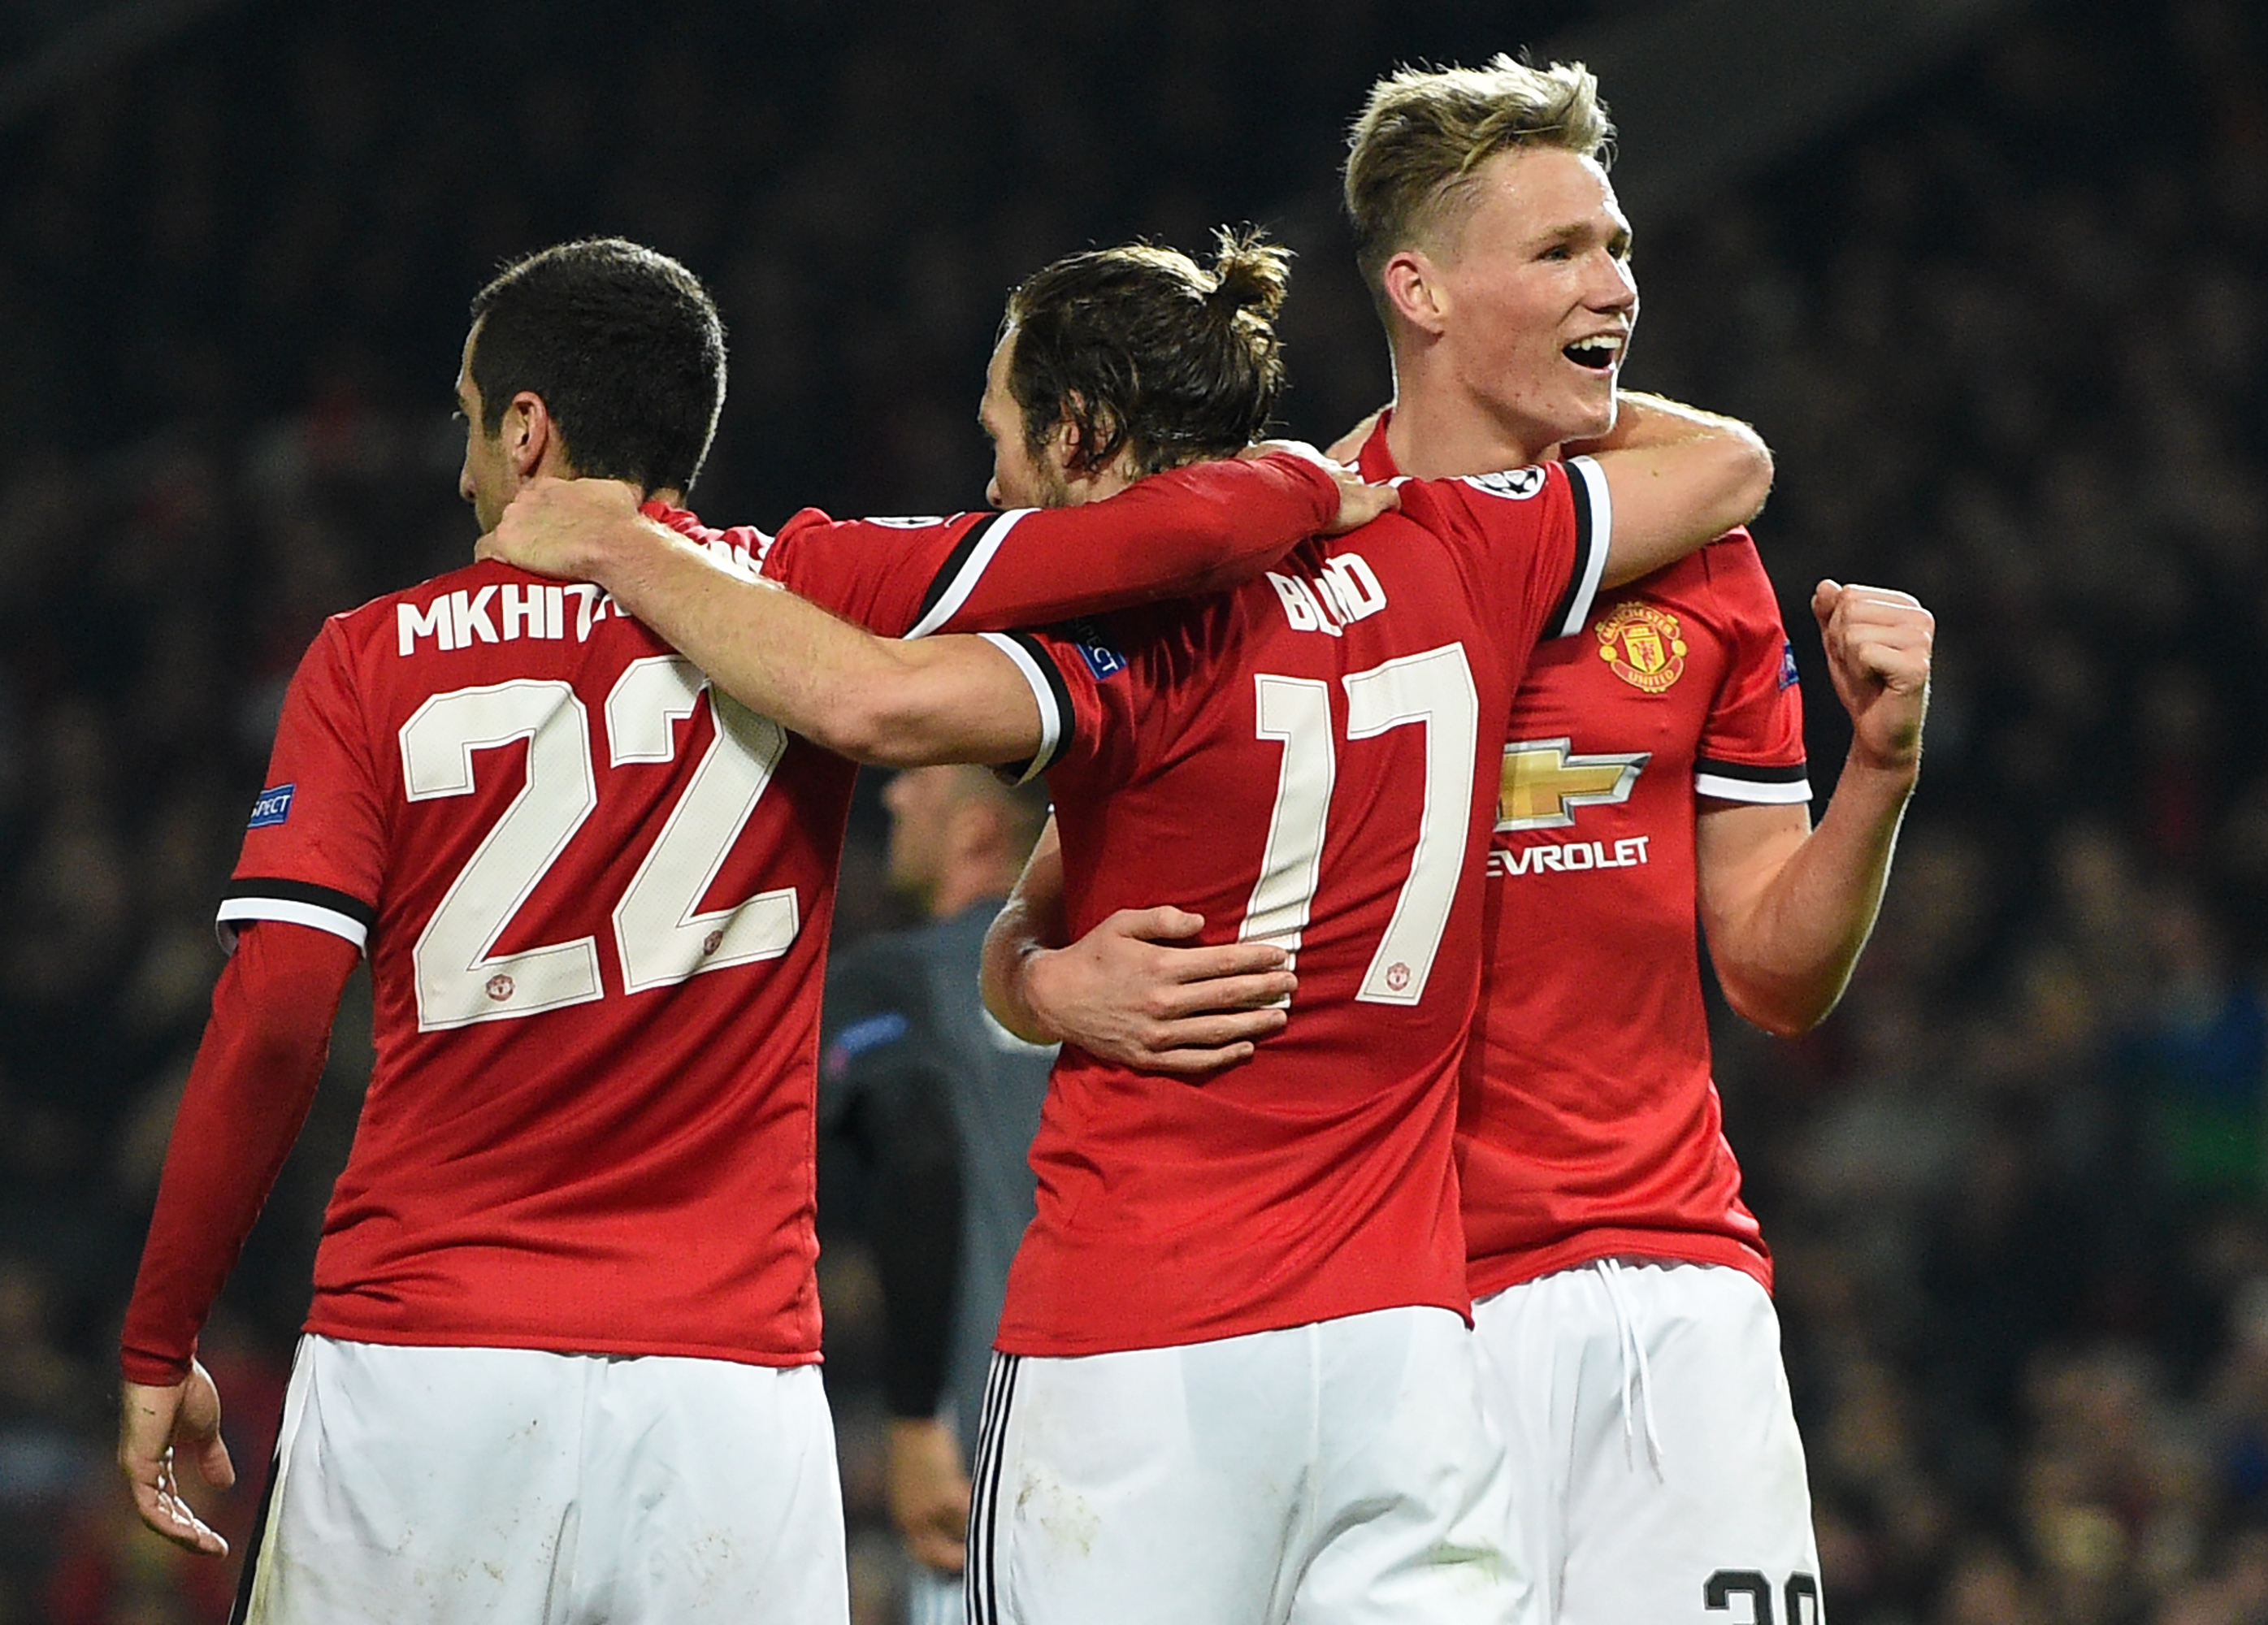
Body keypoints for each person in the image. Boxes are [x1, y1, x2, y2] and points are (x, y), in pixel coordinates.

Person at [480, 228, 1773, 1625]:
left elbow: (871, 703)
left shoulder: (1130, 636)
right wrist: (1034, 973)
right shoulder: (1463, 547)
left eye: (1002, 438)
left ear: (1081, 434)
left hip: (1142, 1347)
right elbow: (1723, 467)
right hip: (1404, 1365)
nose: (992, 485)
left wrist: (618, 547)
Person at [112, 235, 1385, 1623]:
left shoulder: (366, 659)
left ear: (526, 432)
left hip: (424, 1372)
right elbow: (1173, 532)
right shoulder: (803, 590)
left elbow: (277, 1014)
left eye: (470, 422)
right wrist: (1308, 476)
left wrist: (161, 1336)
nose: (465, 468)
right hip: (725, 1397)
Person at [983, 59, 1936, 1625]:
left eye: (1616, 245)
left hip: (1664, 1288)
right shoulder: (1291, 555)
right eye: (1560, 250)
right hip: (1390, 1317)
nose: (1615, 283)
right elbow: (1035, 926)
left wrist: (1880, 776)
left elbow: (1776, 972)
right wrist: (1046, 985)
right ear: (1418, 289)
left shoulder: (1701, 563)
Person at [818, 765, 1056, 1625]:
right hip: (1145, 1406)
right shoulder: (1125, 976)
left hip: (976, 1442)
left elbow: (915, 1158)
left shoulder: (895, 982)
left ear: (977, 828)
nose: (892, 797)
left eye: (920, 779)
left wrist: (915, 1416)